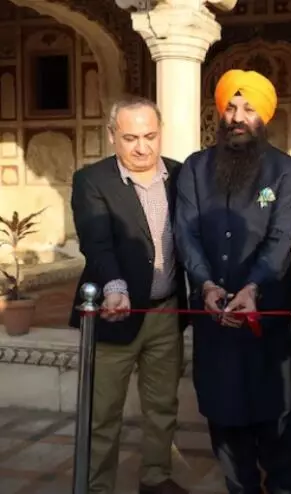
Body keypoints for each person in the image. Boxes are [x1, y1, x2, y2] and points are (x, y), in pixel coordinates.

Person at [174, 69, 291, 494]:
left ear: (264, 116)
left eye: (249, 108)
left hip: (266, 313)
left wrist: (252, 288)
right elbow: (186, 233)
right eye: (231, 106)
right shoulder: (195, 168)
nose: (237, 116)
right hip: (214, 314)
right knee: (223, 408)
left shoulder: (285, 170)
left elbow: (280, 239)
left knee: (277, 410)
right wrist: (206, 285)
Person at [70, 96, 188, 494]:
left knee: (162, 406)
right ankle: (97, 486)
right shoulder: (92, 180)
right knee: (103, 412)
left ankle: (156, 477)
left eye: (150, 136)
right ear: (112, 136)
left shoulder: (180, 175)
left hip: (167, 313)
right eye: (131, 138)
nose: (142, 147)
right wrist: (115, 287)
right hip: (114, 314)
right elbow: (96, 242)